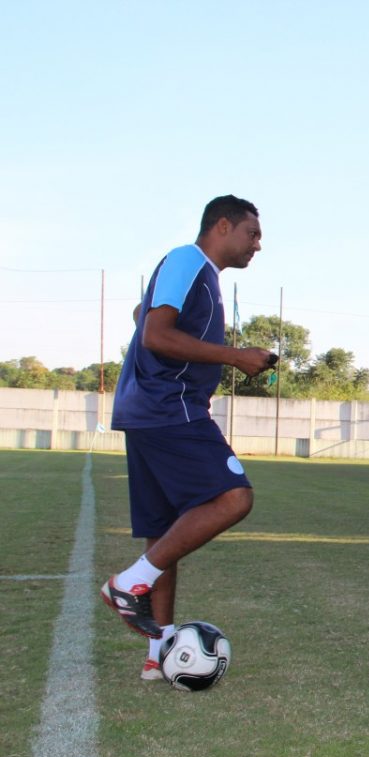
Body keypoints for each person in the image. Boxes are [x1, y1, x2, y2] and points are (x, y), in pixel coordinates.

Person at [101, 195, 276, 679]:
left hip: (147, 411)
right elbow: (156, 333)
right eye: (252, 234)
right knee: (233, 498)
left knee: (165, 535)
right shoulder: (188, 260)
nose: (258, 245)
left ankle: (158, 654)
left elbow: (144, 314)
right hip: (169, 408)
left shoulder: (197, 276)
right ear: (222, 226)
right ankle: (126, 585)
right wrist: (233, 355)